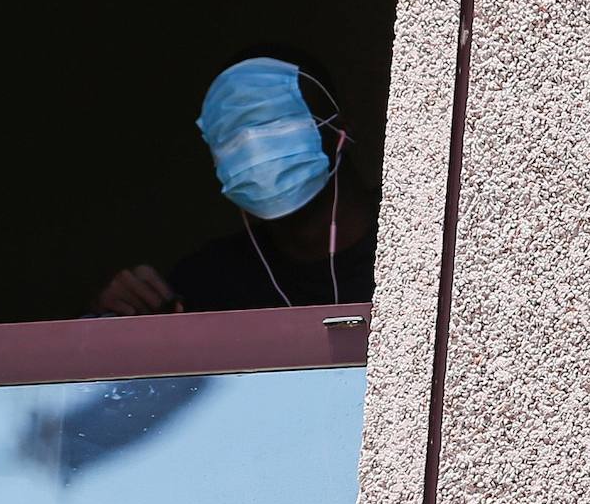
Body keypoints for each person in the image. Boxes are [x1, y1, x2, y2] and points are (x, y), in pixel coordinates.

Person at [93, 52, 377, 315]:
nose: (256, 148)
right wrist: (113, 314)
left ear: (342, 124)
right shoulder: (206, 281)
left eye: (276, 123)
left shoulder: (413, 242)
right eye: (232, 138)